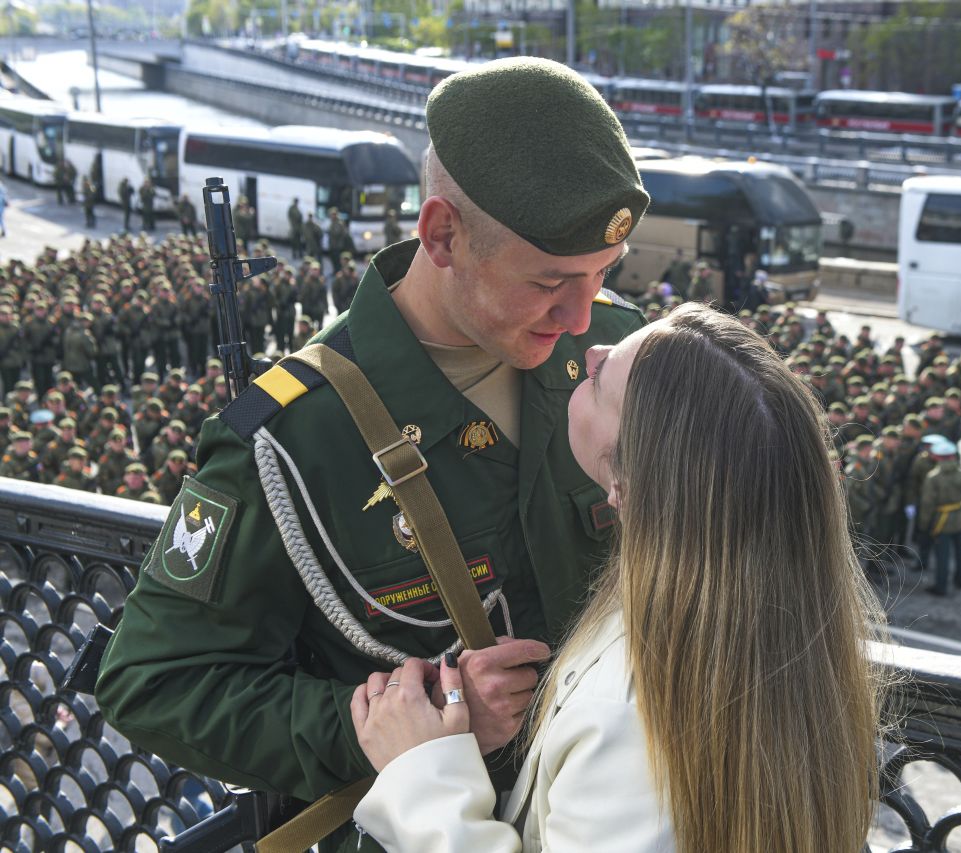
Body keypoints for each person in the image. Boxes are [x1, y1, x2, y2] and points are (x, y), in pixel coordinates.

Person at [96, 58, 653, 852]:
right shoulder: (298, 432)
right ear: (441, 234)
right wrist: (397, 720)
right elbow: (154, 681)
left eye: (602, 277)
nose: (580, 315)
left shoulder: (612, 355)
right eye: (548, 283)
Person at [350, 303, 885, 853]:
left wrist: (423, 779)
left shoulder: (631, 719)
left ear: (626, 489)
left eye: (601, 380)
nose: (592, 350)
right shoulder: (784, 620)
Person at [919, 439, 961, 596]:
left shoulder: (933, 477)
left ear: (937, 457)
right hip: (960, 517)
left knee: (942, 555)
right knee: (960, 552)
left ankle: (941, 586)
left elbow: (927, 504)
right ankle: (960, 580)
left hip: (941, 520)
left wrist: (924, 525)